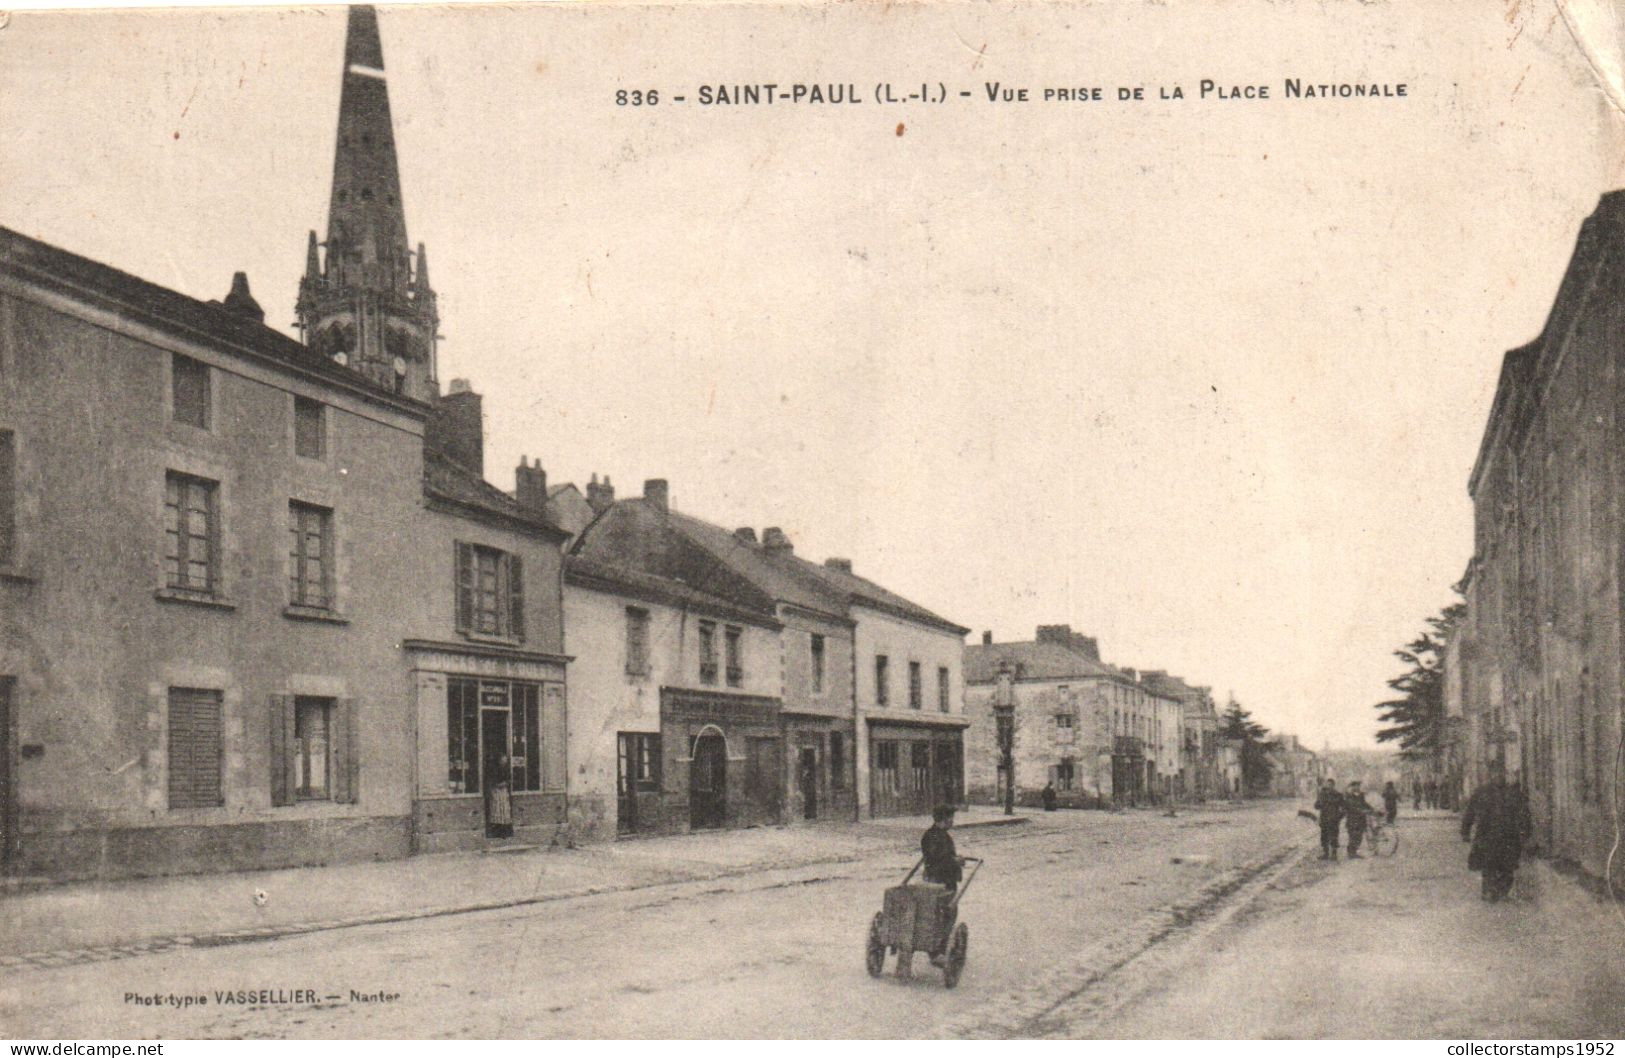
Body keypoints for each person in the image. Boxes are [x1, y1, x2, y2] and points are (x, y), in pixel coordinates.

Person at [1462, 762, 1534, 902]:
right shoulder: (1481, 792)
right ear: (1490, 775)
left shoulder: (1513, 793)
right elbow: (1470, 812)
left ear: (1505, 775)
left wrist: (1526, 833)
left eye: (1500, 773)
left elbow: (1524, 814)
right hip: (1487, 835)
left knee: (1507, 866)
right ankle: (1489, 891)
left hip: (1508, 837)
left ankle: (1502, 892)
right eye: (1495, 773)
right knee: (1488, 865)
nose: (1498, 776)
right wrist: (1465, 830)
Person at [921, 803, 966, 966]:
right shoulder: (937, 836)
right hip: (942, 882)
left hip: (935, 880)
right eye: (951, 818)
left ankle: (935, 948)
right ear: (944, 819)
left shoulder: (933, 835)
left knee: (937, 914)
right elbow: (938, 860)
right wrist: (956, 861)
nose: (952, 821)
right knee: (946, 914)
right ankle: (937, 951)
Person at [1314, 777, 1344, 860]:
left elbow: (1344, 807)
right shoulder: (1322, 794)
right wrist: (1319, 800)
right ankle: (1325, 854)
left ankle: (1334, 854)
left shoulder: (1338, 795)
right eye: (1327, 784)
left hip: (1334, 819)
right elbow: (1316, 806)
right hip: (1324, 818)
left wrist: (1339, 816)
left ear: (1333, 785)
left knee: (1334, 836)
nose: (1329, 786)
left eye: (1330, 785)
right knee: (1324, 836)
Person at [1343, 780, 1374, 858]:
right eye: (1356, 786)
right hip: (1352, 820)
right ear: (1352, 787)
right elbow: (1351, 807)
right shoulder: (1348, 796)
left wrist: (1371, 809)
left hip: (1361, 819)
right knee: (1353, 836)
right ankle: (1351, 853)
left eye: (1358, 786)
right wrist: (1362, 811)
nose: (1357, 787)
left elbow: (1364, 804)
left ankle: (1354, 852)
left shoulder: (1361, 795)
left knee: (1359, 837)